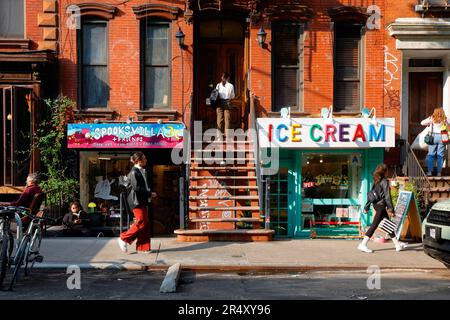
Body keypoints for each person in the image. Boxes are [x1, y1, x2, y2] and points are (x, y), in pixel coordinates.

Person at [358, 164, 408, 253]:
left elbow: (371, 194)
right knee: (374, 225)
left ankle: (397, 244)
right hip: (381, 206)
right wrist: (391, 209)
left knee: (387, 224)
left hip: (376, 205)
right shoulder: (384, 181)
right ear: (385, 171)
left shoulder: (375, 180)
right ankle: (363, 244)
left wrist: (367, 206)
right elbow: (387, 196)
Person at [117, 152, 157, 254]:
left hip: (142, 200)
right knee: (141, 222)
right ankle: (123, 238)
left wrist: (148, 194)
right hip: (136, 201)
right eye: (144, 158)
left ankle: (143, 247)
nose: (146, 160)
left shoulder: (140, 171)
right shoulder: (134, 172)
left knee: (145, 222)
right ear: (138, 160)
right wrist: (149, 194)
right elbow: (137, 188)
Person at [421, 107, 450, 177]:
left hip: (433, 137)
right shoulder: (445, 119)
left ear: (435, 112)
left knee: (431, 154)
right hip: (442, 136)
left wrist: (429, 122)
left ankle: (430, 172)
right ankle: (439, 172)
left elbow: (422, 123)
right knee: (440, 155)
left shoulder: (432, 118)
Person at [215, 72, 235, 141]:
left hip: (219, 102)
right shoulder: (231, 86)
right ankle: (228, 137)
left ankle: (219, 137)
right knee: (227, 120)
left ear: (222, 77)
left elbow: (215, 95)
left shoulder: (218, 85)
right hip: (227, 102)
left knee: (219, 119)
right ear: (228, 78)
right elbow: (233, 96)